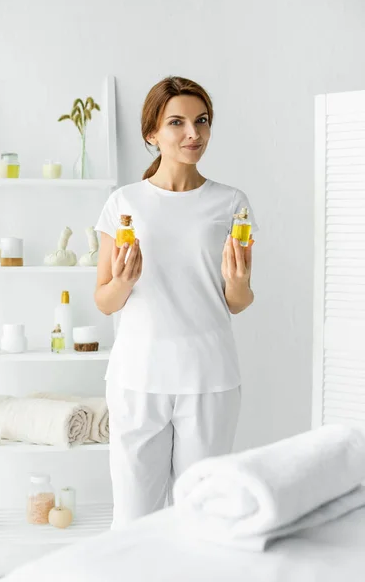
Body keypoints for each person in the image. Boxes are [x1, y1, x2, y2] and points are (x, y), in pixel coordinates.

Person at [94, 76, 258, 529]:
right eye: (177, 122)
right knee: (132, 518)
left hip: (210, 379)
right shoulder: (124, 203)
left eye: (202, 121)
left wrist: (238, 280)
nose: (194, 134)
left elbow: (238, 302)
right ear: (152, 134)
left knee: (201, 515)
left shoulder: (231, 204)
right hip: (137, 379)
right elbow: (105, 301)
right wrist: (124, 282)